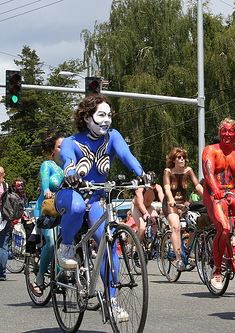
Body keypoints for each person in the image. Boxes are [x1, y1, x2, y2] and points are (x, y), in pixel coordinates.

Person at [56, 93, 151, 321]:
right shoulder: (71, 141)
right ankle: (66, 247)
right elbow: (69, 161)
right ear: (87, 116)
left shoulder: (113, 137)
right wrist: (70, 176)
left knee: (108, 245)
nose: (107, 120)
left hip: (98, 198)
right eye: (101, 115)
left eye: (109, 115)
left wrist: (143, 174)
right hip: (72, 194)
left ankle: (111, 301)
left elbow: (127, 156)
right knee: (78, 207)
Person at [202, 118, 235, 289]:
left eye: (230, 131)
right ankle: (217, 271)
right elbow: (208, 172)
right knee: (224, 229)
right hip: (213, 193)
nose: (226, 134)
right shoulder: (211, 150)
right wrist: (215, 189)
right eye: (223, 131)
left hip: (231, 192)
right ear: (219, 133)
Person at [31, 134, 64, 295]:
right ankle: (39, 278)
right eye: (59, 147)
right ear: (53, 149)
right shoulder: (47, 165)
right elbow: (45, 183)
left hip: (63, 209)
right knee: (51, 243)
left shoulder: (70, 167)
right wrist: (47, 190)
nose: (63, 150)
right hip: (46, 208)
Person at [163, 147, 202, 272]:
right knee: (176, 227)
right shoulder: (168, 171)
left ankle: (189, 248)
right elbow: (167, 188)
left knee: (196, 223)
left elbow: (198, 186)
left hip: (184, 202)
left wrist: (208, 198)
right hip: (170, 203)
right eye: (179, 157)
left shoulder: (188, 171)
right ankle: (178, 258)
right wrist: (171, 200)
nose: (182, 160)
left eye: (184, 157)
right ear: (173, 160)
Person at [131, 171, 164, 243]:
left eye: (154, 184)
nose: (152, 186)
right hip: (137, 208)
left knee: (157, 220)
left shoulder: (158, 188)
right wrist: (145, 213)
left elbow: (163, 200)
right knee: (142, 228)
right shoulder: (141, 188)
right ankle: (137, 250)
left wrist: (165, 209)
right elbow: (140, 204)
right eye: (151, 185)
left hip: (148, 206)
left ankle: (157, 243)